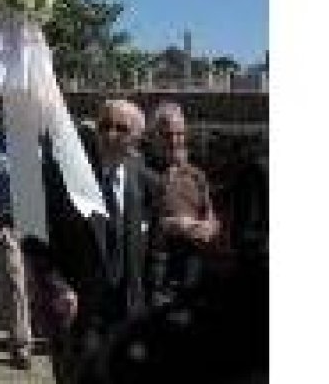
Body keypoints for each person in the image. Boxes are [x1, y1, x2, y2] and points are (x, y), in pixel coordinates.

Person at [38, 99, 159, 384]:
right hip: (80, 315)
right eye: (104, 126)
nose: (109, 135)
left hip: (130, 317)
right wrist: (58, 286)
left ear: (137, 137)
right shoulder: (63, 178)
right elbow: (39, 241)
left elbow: (155, 254)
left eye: (121, 128)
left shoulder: (148, 183)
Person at [146, 102, 219, 302]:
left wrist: (208, 228)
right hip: (155, 273)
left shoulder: (196, 175)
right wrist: (168, 225)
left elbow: (211, 217)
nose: (175, 140)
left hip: (191, 270)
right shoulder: (142, 171)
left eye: (180, 134)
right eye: (167, 135)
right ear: (154, 137)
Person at [0, 134, 35, 370]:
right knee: (4, 281)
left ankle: (14, 340)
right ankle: (2, 334)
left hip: (24, 223)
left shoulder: (37, 144)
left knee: (16, 282)